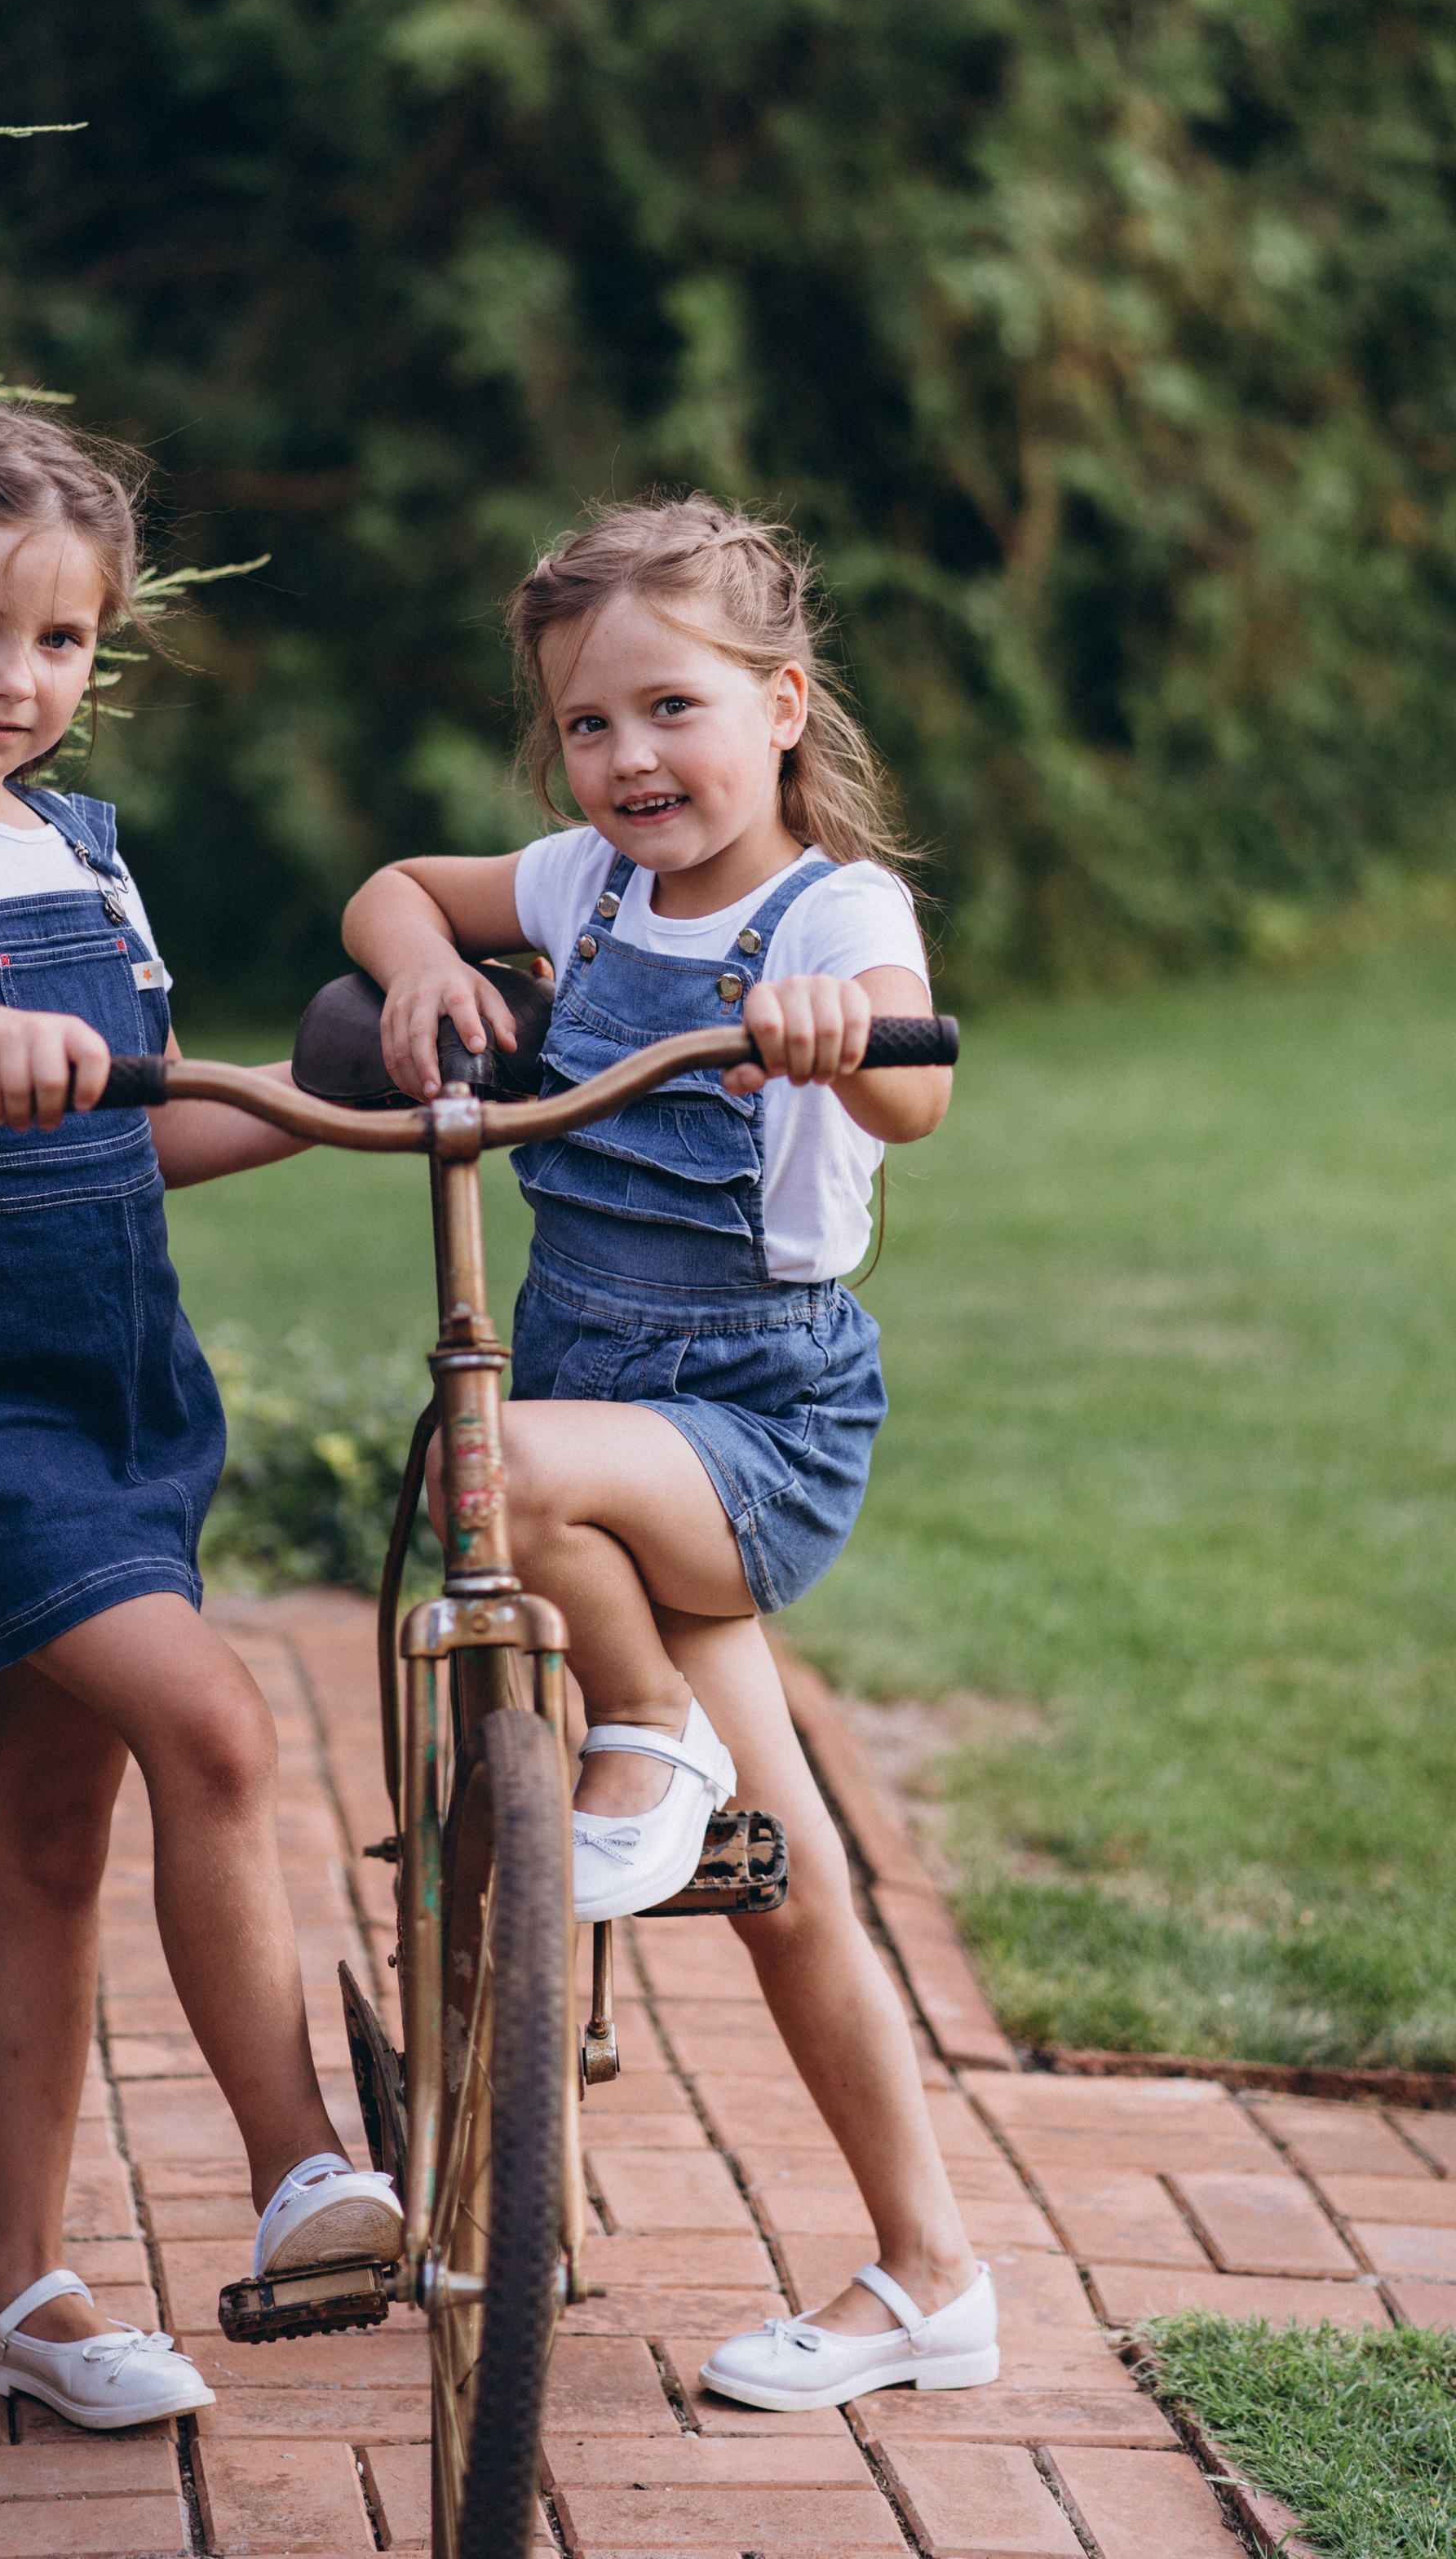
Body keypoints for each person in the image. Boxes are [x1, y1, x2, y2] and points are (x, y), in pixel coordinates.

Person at [0, 404, 398, 2433]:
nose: (8, 682)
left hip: (130, 1392)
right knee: (217, 1722)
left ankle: (9, 2289)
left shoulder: (85, 852)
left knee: (48, 1832)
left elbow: (142, 1135)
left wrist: (322, 1109)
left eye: (55, 648)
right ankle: (308, 2168)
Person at [341, 492, 998, 2412]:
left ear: (780, 704)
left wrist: (830, 1035)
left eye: (672, 708)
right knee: (785, 1879)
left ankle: (645, 1731)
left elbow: (918, 1077)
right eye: (587, 724)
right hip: (599, 1411)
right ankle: (931, 2273)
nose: (629, 757)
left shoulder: (835, 915)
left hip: (750, 1422)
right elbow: (394, 881)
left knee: (499, 1461)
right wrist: (414, 974)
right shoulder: (585, 891)